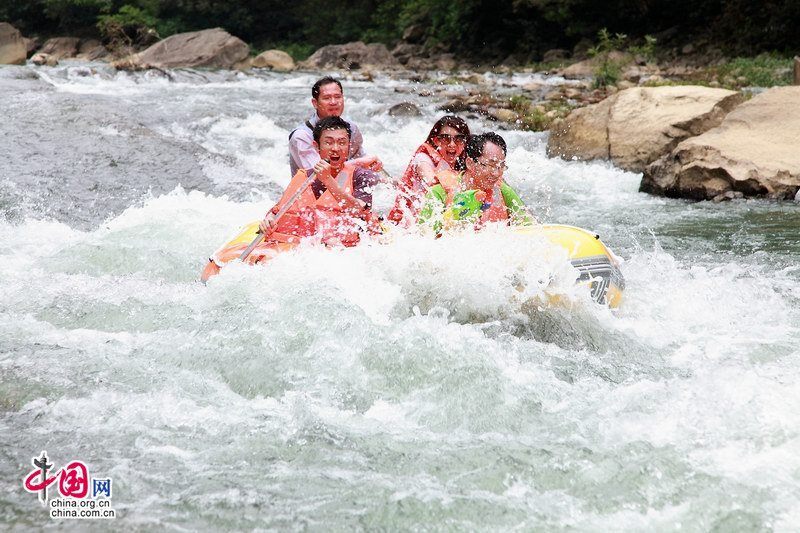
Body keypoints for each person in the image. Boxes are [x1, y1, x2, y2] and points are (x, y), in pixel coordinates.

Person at [260, 116, 383, 248]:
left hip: (343, 247)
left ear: (349, 146)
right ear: (316, 146)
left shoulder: (361, 176)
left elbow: (358, 210)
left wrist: (328, 180)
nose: (335, 148)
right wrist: (268, 221)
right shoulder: (303, 176)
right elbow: (276, 212)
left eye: (342, 143)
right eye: (329, 142)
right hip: (301, 247)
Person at [417, 132, 534, 234]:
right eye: (490, 165)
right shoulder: (439, 192)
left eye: (501, 166)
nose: (496, 173)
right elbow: (424, 239)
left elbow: (531, 228)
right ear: (470, 163)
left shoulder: (503, 190)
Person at [387, 115, 471, 225]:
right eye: (446, 138)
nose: (452, 144)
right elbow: (430, 180)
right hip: (415, 224)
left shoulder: (465, 163)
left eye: (459, 139)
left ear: (465, 142)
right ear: (436, 141)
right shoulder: (423, 159)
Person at [289, 76, 369, 177]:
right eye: (327, 98)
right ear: (315, 103)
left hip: (345, 187)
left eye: (337, 97)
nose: (333, 102)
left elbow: (363, 166)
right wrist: (361, 162)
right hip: (312, 189)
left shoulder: (352, 128)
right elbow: (319, 175)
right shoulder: (301, 136)